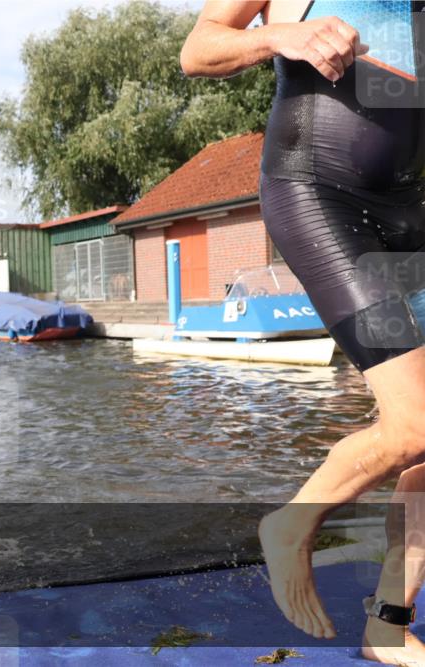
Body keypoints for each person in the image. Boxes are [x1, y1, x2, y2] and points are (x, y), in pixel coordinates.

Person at [181, 2, 425, 662]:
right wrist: (284, 34)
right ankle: (292, 522)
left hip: (409, 207)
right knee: (416, 423)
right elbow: (200, 48)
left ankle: (388, 623)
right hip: (319, 191)